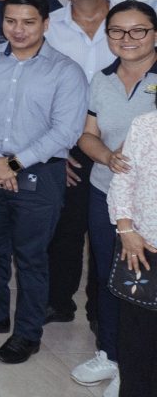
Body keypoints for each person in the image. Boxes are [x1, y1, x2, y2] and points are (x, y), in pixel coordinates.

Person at [0, 0, 88, 365]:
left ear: (45, 24)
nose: (19, 29)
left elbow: (66, 132)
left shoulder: (66, 70)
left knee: (31, 257)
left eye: (29, 22)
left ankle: (27, 334)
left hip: (41, 175)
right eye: (11, 21)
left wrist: (13, 165)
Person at [70, 1, 157, 394]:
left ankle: (139, 364)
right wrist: (108, 157)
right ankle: (111, 352)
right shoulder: (101, 79)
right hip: (107, 191)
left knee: (147, 285)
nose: (127, 39)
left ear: (155, 33)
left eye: (138, 30)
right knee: (110, 276)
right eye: (117, 31)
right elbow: (87, 134)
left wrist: (134, 153)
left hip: (150, 203)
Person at [45, 0, 117, 329]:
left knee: (109, 230)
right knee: (65, 228)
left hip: (119, 143)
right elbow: (40, 90)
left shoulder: (130, 21)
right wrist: (56, 152)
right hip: (67, 141)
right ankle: (59, 301)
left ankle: (102, 310)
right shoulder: (50, 26)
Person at [107, 104, 157, 397]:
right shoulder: (145, 125)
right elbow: (124, 178)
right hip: (142, 249)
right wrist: (126, 230)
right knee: (137, 343)